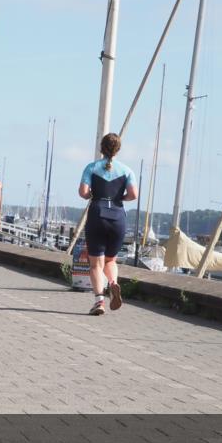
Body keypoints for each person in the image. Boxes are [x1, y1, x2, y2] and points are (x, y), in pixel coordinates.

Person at [78, 133, 137, 316]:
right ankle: (113, 283)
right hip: (118, 216)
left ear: (101, 148)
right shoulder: (127, 170)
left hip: (97, 213)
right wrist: (121, 198)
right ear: (118, 149)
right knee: (110, 259)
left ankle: (99, 302)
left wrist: (91, 196)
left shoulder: (91, 168)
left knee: (95, 264)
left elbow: (83, 192)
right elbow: (134, 194)